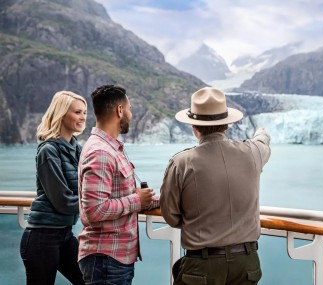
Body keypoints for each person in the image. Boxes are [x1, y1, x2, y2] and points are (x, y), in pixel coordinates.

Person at [160, 87, 271, 285]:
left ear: (194, 126)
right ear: (227, 124)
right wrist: (261, 133)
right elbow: (263, 142)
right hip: (246, 265)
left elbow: (171, 215)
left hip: (202, 266)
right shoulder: (253, 153)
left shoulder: (181, 163)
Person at [77, 84, 159, 285]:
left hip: (112, 259)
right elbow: (94, 210)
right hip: (106, 260)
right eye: (129, 109)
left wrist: (161, 199)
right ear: (120, 110)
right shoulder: (101, 152)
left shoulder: (109, 149)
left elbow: (121, 197)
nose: (130, 115)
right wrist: (137, 199)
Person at [20, 91, 87, 285]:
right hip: (42, 237)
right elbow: (63, 202)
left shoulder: (77, 148)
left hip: (64, 233)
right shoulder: (48, 150)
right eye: (77, 112)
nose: (83, 117)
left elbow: (91, 186)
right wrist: (100, 205)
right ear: (61, 114)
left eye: (84, 112)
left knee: (89, 280)